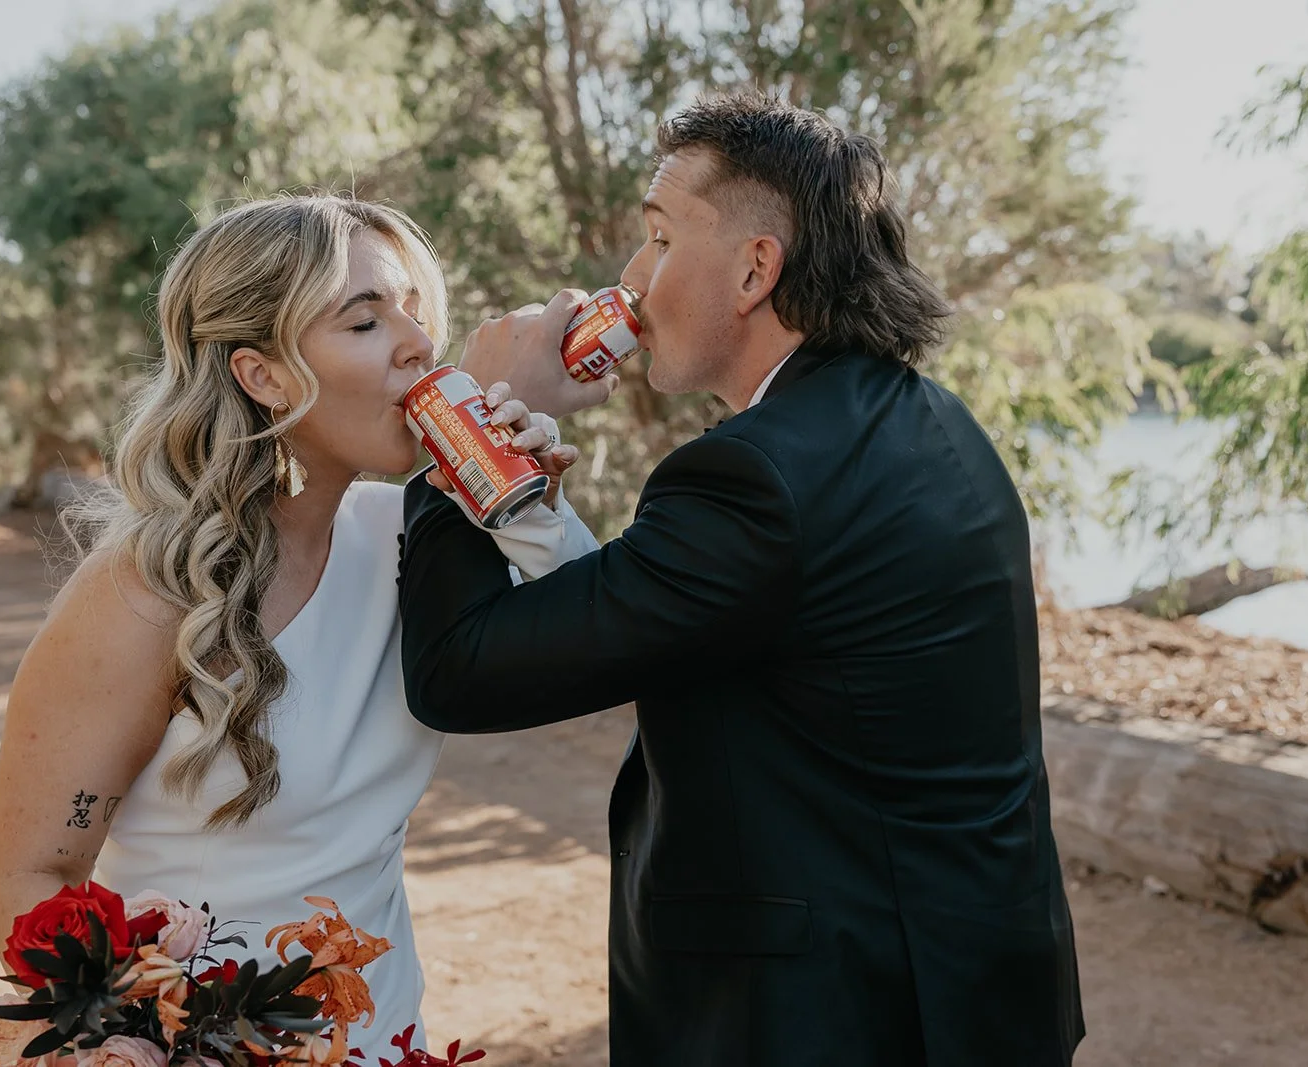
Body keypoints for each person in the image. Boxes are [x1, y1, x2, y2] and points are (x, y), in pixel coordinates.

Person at [396, 93, 1086, 1065]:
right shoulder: (926, 419)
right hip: (975, 992)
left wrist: (465, 428)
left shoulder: (755, 476)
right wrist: (524, 502)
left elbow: (457, 670)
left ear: (756, 268)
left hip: (827, 1018)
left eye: (658, 238)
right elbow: (651, 617)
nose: (630, 279)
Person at [0, 195, 598, 1057]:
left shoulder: (412, 537)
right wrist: (144, 1041)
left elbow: (599, 638)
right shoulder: (143, 592)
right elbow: (31, 875)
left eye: (415, 312)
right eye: (366, 320)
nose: (419, 345)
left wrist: (520, 489)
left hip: (383, 1038)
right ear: (262, 374)